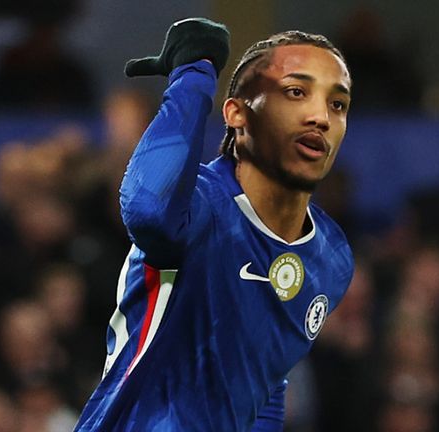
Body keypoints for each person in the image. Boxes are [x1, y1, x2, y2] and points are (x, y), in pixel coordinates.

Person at [74, 17, 355, 431]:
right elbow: (147, 208)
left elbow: (265, 382)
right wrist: (194, 73)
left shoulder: (331, 257)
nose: (321, 117)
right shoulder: (198, 207)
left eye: (338, 104)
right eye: (296, 92)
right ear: (237, 114)